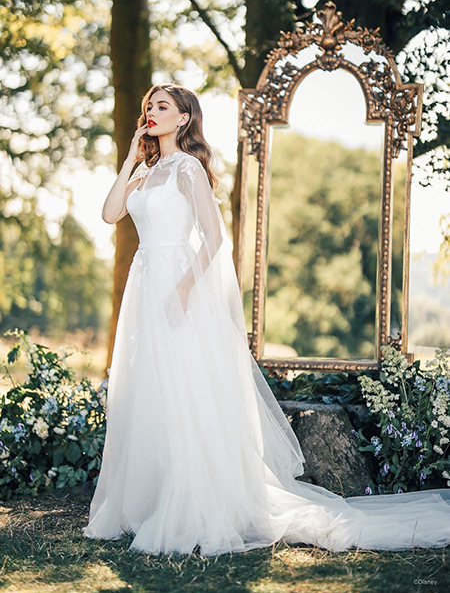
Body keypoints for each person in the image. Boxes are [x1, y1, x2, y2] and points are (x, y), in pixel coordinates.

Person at [83, 83, 450, 557]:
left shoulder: (187, 169)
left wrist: (183, 290)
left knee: (183, 389)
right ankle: (148, 499)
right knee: (149, 388)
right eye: (148, 105)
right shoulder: (147, 172)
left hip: (175, 286)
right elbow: (110, 213)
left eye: (162, 106)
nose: (151, 112)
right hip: (143, 284)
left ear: (184, 118)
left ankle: (193, 502)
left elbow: (213, 240)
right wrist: (131, 159)